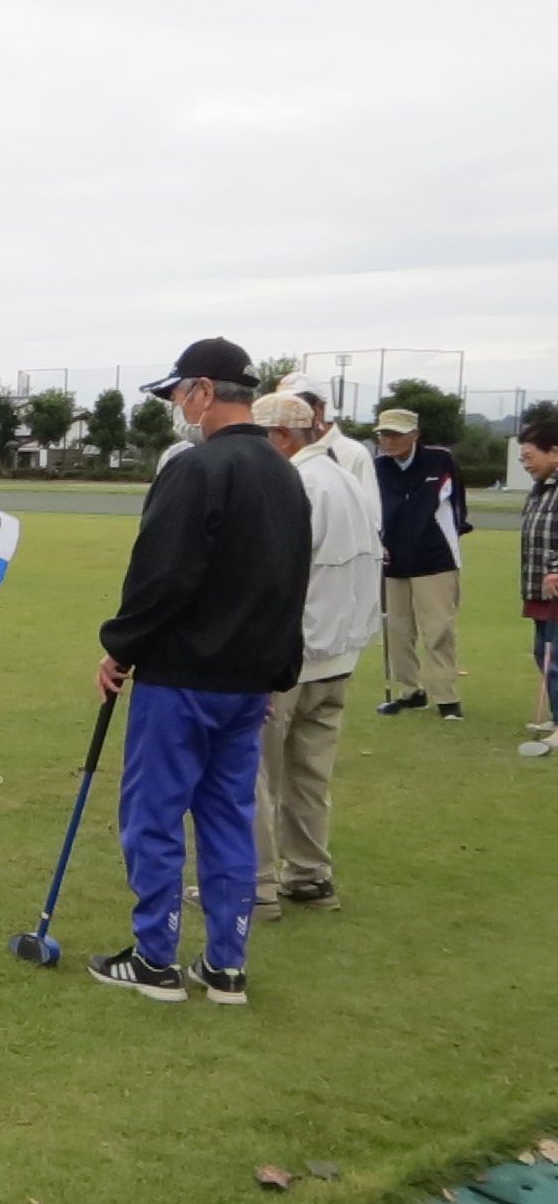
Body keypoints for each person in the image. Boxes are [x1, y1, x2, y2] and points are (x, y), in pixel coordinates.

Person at [89, 338, 311, 1006]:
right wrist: (272, 672)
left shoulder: (195, 470)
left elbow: (162, 575)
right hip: (248, 684)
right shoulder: (284, 474)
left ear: (206, 391)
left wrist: (119, 646)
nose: (179, 407)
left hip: (182, 678)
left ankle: (155, 959)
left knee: (155, 817)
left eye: (181, 393)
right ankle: (225, 966)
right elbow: (290, 585)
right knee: (225, 818)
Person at [246, 392, 381, 918]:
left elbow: (274, 578)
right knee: (309, 775)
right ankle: (309, 874)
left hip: (292, 655)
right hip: (340, 654)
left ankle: (252, 885)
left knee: (252, 772)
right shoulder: (346, 478)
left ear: (281, 437)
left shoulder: (295, 483)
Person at [373, 407, 470, 720]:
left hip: (435, 558)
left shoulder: (439, 461)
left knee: (438, 628)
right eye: (383, 434)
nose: (388, 441)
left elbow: (456, 507)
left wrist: (451, 538)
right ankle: (410, 692)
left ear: (414, 435)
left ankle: (447, 697)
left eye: (395, 434)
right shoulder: (378, 468)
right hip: (393, 559)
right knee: (398, 631)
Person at [275, 373, 382, 527]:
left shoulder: (354, 453)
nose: (288, 416)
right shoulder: (280, 450)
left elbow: (372, 518)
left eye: (297, 408)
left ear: (319, 409)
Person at [516, 422, 558, 733]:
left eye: (529, 457)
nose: (525, 464)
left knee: (555, 657)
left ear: (554, 452)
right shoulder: (541, 489)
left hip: (555, 585)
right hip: (539, 587)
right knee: (543, 653)